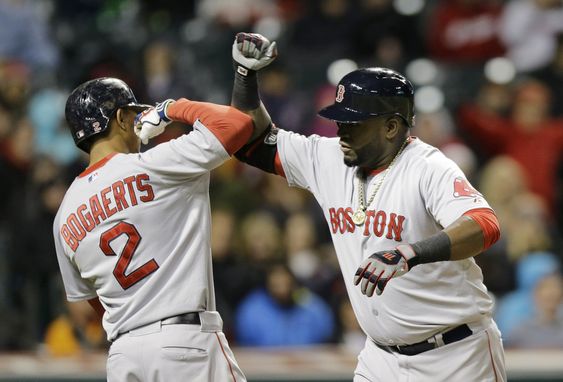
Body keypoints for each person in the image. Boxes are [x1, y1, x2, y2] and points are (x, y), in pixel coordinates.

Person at [227, 32, 506, 381]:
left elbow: (484, 224)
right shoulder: (328, 157)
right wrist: (245, 75)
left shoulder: (428, 167)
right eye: (340, 120)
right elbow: (249, 141)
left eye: (353, 124)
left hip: (454, 355)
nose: (341, 131)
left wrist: (409, 253)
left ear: (391, 127)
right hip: (380, 357)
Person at [53, 77, 252, 381]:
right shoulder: (157, 165)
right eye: (132, 113)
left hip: (123, 356)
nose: (137, 121)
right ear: (119, 118)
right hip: (184, 345)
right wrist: (172, 109)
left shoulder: (64, 215)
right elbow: (237, 124)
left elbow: (91, 302)